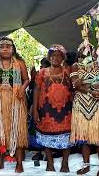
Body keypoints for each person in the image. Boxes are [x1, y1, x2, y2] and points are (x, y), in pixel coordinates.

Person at [70, 42, 99, 176]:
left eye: (89, 50)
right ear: (79, 53)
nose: (86, 53)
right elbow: (76, 85)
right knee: (84, 137)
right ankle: (86, 165)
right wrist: (92, 91)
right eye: (83, 51)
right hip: (82, 104)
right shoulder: (75, 66)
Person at [0, 37, 29, 173]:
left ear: (13, 49)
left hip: (16, 100)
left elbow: (26, 79)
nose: (5, 48)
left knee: (18, 130)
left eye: (8, 46)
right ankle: (0, 163)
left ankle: (19, 163)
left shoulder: (19, 63)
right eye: (2, 46)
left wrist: (22, 88)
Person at [33, 44, 72, 172]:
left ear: (63, 58)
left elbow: (73, 89)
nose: (55, 58)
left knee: (67, 137)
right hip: (46, 110)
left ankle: (65, 163)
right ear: (49, 57)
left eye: (58, 55)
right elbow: (36, 90)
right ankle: (50, 163)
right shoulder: (42, 72)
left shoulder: (68, 71)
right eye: (53, 55)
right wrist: (35, 110)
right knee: (46, 136)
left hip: (65, 110)